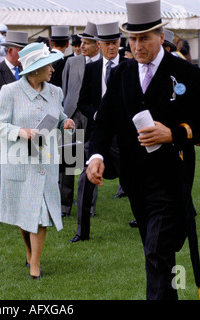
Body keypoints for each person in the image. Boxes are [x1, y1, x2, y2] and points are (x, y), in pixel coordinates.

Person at [86, 0, 200, 299]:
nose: (137, 45)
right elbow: (103, 124)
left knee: (157, 251)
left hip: (172, 181)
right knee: (157, 255)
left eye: (144, 38)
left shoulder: (185, 73)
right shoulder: (120, 75)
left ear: (160, 36)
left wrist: (172, 134)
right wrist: (96, 156)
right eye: (132, 38)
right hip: (135, 183)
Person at [0, 42, 75, 279]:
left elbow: (59, 117)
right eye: (48, 65)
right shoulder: (10, 91)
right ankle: (29, 252)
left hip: (46, 160)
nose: (53, 70)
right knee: (23, 212)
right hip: (19, 161)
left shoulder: (56, 91)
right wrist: (21, 131)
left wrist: (65, 123)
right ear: (35, 69)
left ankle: (35, 265)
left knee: (41, 212)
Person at [71, 21, 127, 243]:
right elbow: (82, 102)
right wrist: (95, 115)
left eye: (115, 43)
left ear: (119, 43)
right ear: (99, 45)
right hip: (98, 135)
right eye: (107, 43)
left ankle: (145, 220)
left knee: (135, 179)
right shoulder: (91, 69)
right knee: (85, 180)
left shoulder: (129, 67)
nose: (112, 47)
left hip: (123, 136)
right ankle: (82, 232)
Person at [0, 31, 28, 224]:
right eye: (21, 49)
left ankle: (16, 210)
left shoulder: (26, 71)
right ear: (10, 50)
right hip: (2, 129)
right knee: (1, 172)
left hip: (23, 129)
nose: (24, 54)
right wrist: (14, 102)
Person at [60, 22, 100, 217]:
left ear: (97, 45)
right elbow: (65, 91)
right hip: (71, 117)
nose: (81, 46)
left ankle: (88, 207)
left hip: (92, 119)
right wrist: (65, 115)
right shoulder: (71, 62)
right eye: (81, 42)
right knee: (67, 161)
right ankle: (64, 206)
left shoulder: (103, 66)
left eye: (86, 43)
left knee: (91, 162)